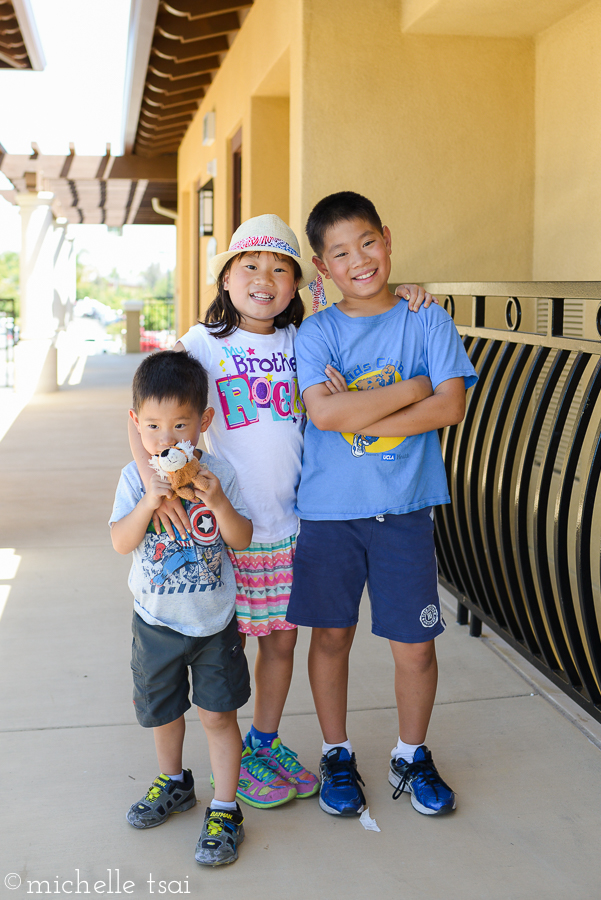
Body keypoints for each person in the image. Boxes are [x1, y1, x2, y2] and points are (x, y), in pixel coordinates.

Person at [128, 214, 436, 810]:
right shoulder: (199, 345)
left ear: (299, 284)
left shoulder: (306, 340)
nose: (264, 279)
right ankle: (229, 747)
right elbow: (143, 414)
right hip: (224, 530)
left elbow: (363, 331)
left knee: (281, 642)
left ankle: (264, 742)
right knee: (228, 645)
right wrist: (154, 486)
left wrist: (409, 294)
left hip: (293, 527)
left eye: (279, 269)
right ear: (226, 277)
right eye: (250, 266)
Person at [286, 191, 478, 819]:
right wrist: (415, 386)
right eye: (340, 253)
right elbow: (324, 411)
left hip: (404, 509)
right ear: (324, 268)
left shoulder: (427, 320)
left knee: (416, 646)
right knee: (331, 635)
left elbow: (451, 405)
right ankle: (336, 751)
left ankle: (410, 753)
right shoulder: (316, 332)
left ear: (387, 239)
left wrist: (376, 403)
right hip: (330, 513)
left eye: (368, 242)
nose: (359, 260)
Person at [110, 350, 253, 866]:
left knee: (219, 716)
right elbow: (121, 542)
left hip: (214, 623)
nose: (165, 439)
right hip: (155, 624)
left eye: (179, 425)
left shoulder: (218, 474)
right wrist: (149, 501)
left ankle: (224, 807)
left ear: (204, 423)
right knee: (164, 714)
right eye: (152, 425)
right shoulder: (135, 479)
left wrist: (217, 504)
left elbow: (241, 538)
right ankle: (173, 783)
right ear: (136, 424)